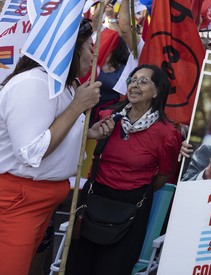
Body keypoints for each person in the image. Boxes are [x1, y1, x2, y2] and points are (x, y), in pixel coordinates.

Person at [0, 18, 114, 275]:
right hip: (18, 200)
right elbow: (32, 152)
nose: (94, 53)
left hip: (39, 200)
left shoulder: (63, 85)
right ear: (69, 50)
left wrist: (85, 134)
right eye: (89, 46)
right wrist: (77, 107)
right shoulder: (34, 83)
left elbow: (51, 132)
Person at [65, 64, 181, 275]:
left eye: (143, 81)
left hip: (131, 209)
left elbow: (163, 175)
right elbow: (83, 152)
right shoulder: (107, 116)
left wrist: (134, 190)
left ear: (156, 92)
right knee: (77, 266)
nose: (134, 85)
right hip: (94, 199)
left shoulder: (167, 134)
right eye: (132, 80)